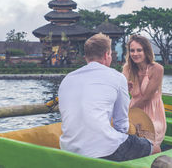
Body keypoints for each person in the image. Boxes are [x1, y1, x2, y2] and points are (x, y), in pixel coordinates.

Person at [58, 33, 152, 161]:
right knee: (153, 147)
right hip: (104, 150)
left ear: (86, 57)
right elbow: (121, 126)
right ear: (107, 55)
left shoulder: (67, 79)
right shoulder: (117, 77)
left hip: (68, 149)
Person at [122, 34, 167, 153]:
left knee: (146, 135)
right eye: (132, 50)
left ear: (146, 51)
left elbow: (146, 98)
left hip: (152, 112)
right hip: (133, 109)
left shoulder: (157, 69)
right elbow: (121, 92)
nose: (135, 54)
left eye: (139, 50)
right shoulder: (127, 69)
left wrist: (125, 113)